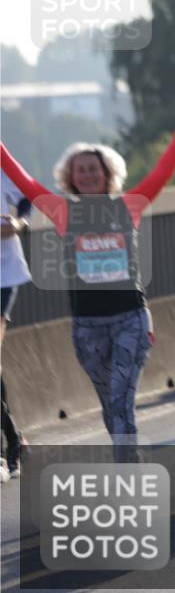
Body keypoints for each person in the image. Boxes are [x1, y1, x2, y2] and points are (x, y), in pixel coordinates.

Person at [0, 93, 175, 461]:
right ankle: (130, 455)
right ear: (71, 178)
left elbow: (162, 171)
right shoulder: (61, 211)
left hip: (131, 319)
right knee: (110, 407)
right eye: (81, 170)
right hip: (87, 326)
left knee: (120, 398)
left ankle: (128, 470)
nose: (89, 174)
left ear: (107, 174)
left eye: (94, 168)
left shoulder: (130, 205)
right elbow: (22, 179)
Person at [1, 170, 32, 480]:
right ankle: (13, 438)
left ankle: (3, 450)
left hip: (3, 275)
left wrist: (19, 224)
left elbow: (27, 197)